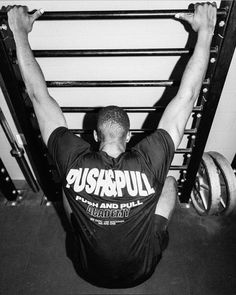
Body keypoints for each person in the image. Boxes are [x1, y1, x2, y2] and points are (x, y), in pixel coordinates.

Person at [7, 2, 216, 288]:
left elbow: (37, 95)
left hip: (86, 269)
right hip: (142, 271)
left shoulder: (73, 159)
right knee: (168, 181)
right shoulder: (149, 160)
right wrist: (206, 31)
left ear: (95, 135)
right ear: (129, 136)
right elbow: (188, 96)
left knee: (69, 185)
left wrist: (19, 32)